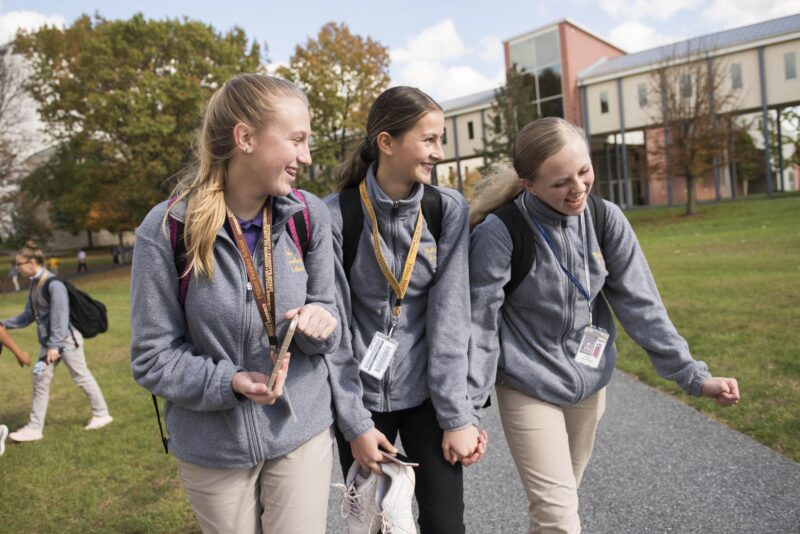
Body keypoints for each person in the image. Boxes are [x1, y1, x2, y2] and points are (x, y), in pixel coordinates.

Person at [467, 117, 741, 534]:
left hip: (589, 381)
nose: (578, 188)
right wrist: (467, 413)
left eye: (584, 171)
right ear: (529, 184)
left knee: (559, 506)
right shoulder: (501, 233)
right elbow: (479, 327)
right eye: (560, 182)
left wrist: (693, 375)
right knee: (558, 516)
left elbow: (641, 304)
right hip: (527, 385)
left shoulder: (603, 218)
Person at [130, 73, 341, 534]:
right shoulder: (166, 229)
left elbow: (330, 313)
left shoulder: (308, 216)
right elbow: (151, 357)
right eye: (296, 140)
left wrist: (320, 322)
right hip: (213, 450)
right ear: (245, 138)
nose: (306, 156)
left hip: (299, 432)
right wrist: (229, 382)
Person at [325, 86, 487, 534]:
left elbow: (452, 318)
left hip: (428, 397)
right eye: (429, 139)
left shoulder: (446, 210)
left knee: (445, 523)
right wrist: (355, 424)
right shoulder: (335, 216)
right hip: (361, 400)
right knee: (377, 526)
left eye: (441, 140)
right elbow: (335, 333)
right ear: (387, 142)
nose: (439, 152)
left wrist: (458, 417)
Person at [2, 241, 113, 443]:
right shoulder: (35, 284)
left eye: (19, 264)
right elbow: (28, 314)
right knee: (40, 379)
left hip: (65, 342)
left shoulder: (54, 285)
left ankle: (102, 414)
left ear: (32, 262)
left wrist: (54, 346)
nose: (17, 268)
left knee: (81, 376)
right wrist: (4, 323)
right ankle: (34, 428)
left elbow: (60, 317)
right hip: (51, 344)